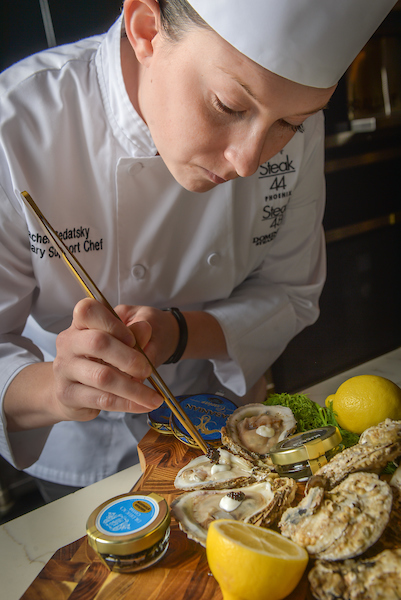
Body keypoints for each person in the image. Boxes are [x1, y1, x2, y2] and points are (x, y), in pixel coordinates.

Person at [0, 0, 395, 502]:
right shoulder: (15, 124)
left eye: (289, 125)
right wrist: (59, 387)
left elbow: (292, 293)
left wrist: (179, 333)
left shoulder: (297, 124)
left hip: (234, 435)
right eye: (229, 106)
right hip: (84, 459)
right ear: (145, 29)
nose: (249, 161)